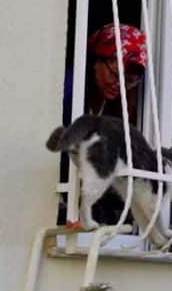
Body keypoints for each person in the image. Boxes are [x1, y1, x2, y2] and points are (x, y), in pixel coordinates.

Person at [58, 23, 148, 225]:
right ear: (95, 61)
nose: (121, 84)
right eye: (116, 73)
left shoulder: (113, 107)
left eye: (130, 79)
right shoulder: (68, 86)